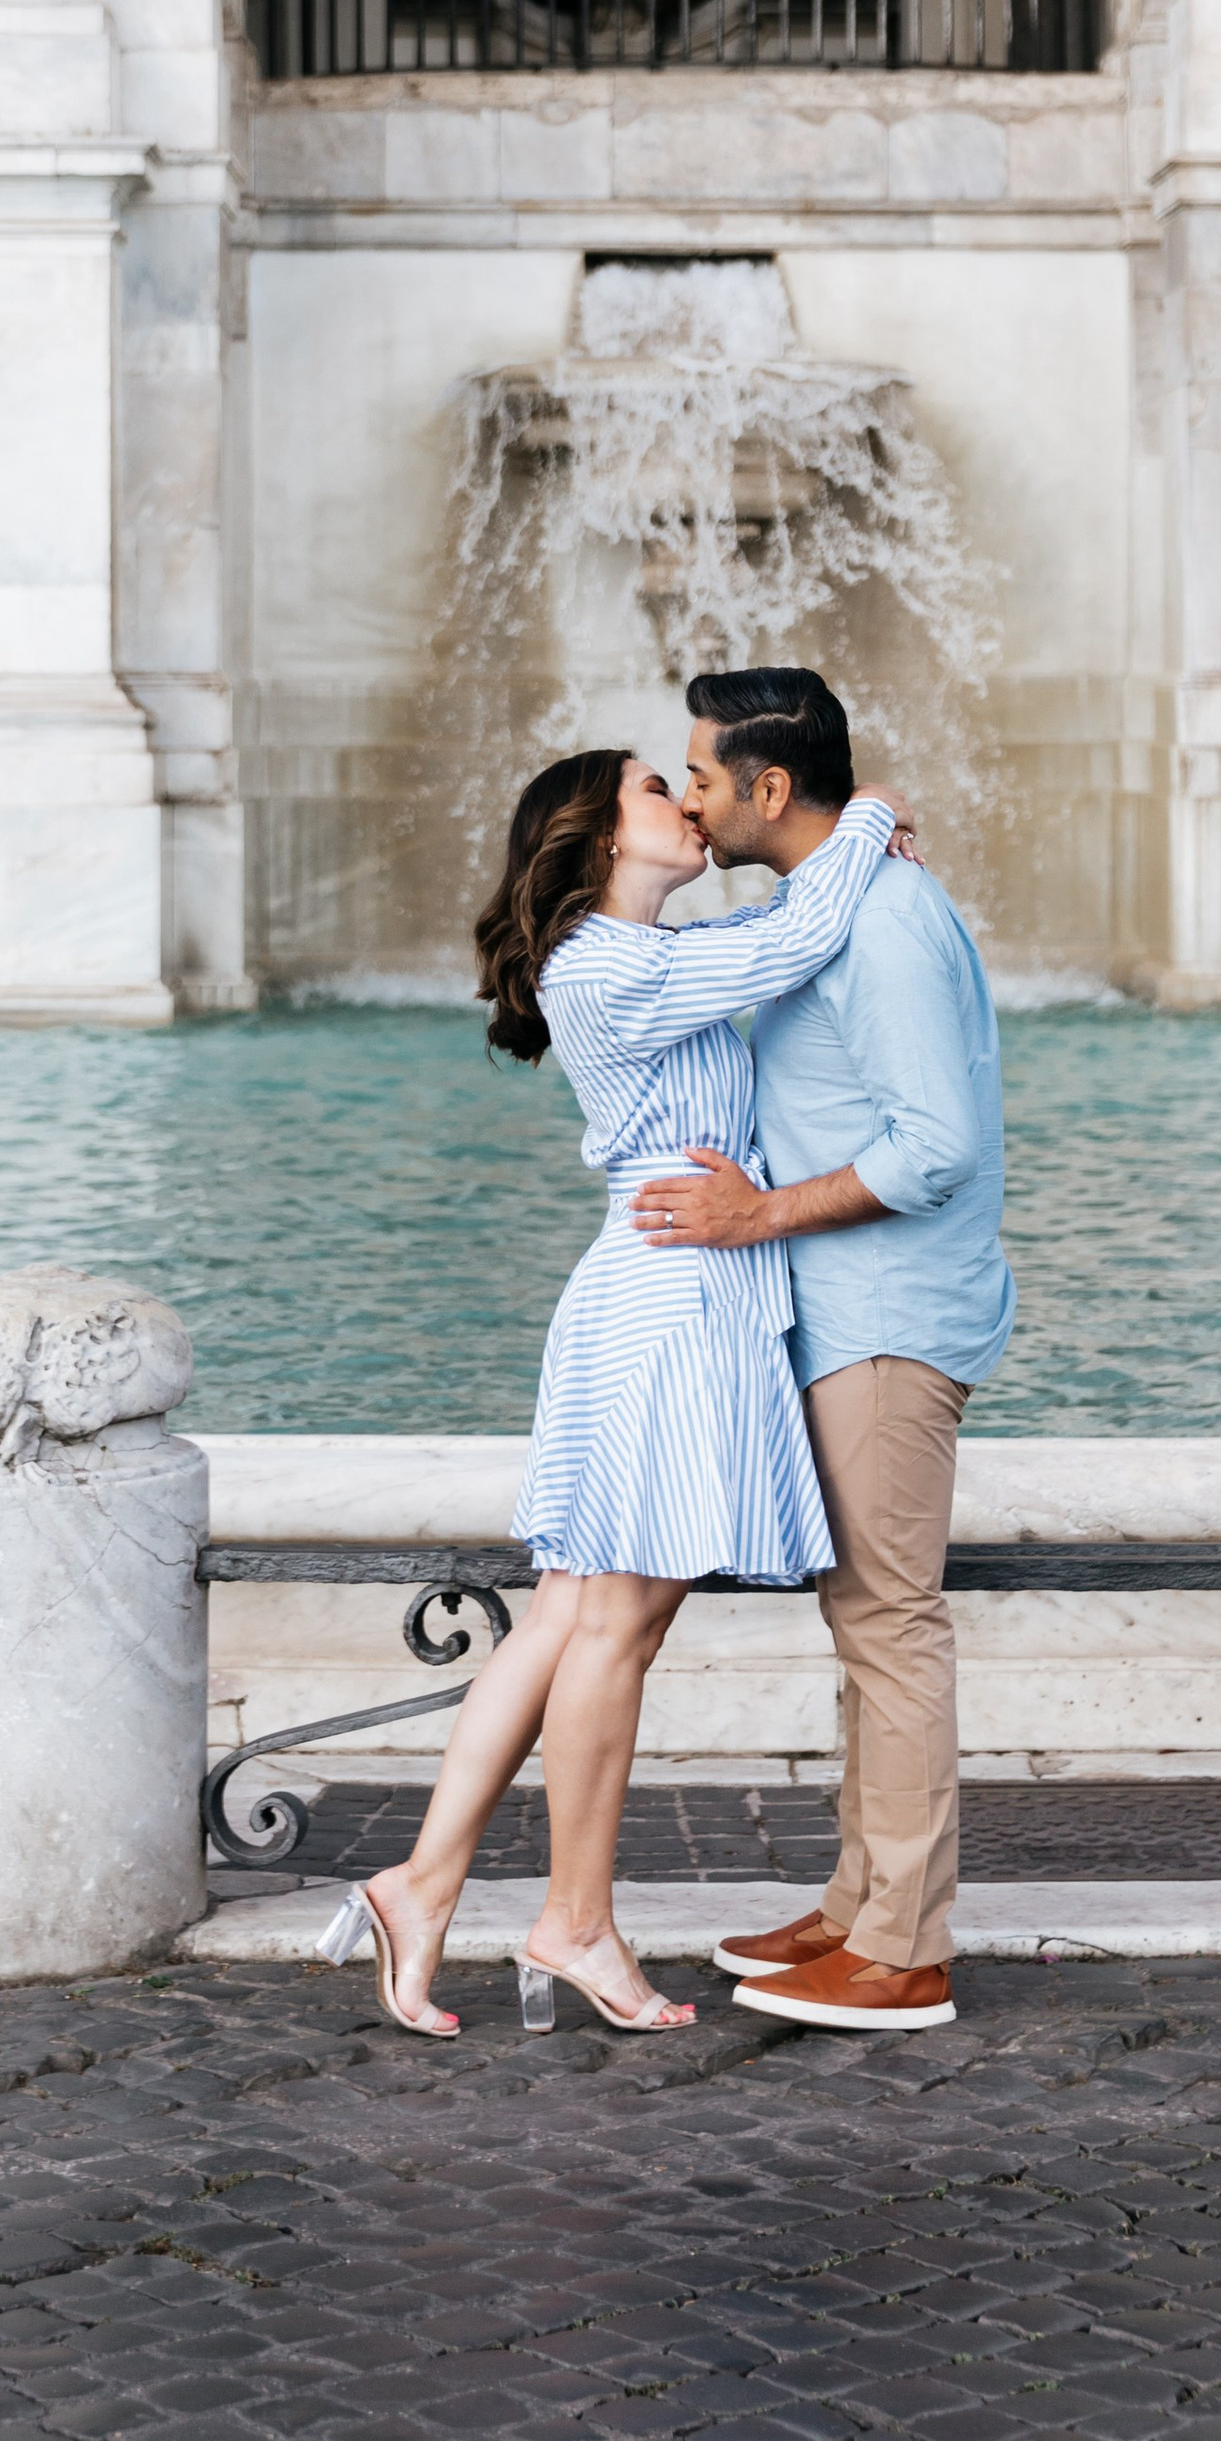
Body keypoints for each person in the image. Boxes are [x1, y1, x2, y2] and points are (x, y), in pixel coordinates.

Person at [319, 741, 908, 2039]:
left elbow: (762, 942)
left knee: (564, 1621)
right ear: (596, 835)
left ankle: (419, 1885)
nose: (687, 802)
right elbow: (788, 941)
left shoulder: (631, 960)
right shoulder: (604, 960)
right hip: (668, 1303)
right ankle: (573, 1921)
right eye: (659, 786)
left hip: (658, 1289)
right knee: (615, 1631)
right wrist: (861, 823)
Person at [631, 666, 1012, 2034]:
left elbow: (935, 1146)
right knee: (864, 1621)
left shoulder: (888, 922)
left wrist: (756, 1214)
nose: (689, 795)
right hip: (847, 1312)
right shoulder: (832, 902)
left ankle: (905, 1945)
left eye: (705, 776)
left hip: (891, 1318)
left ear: (771, 789)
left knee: (892, 1624)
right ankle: (860, 1904)